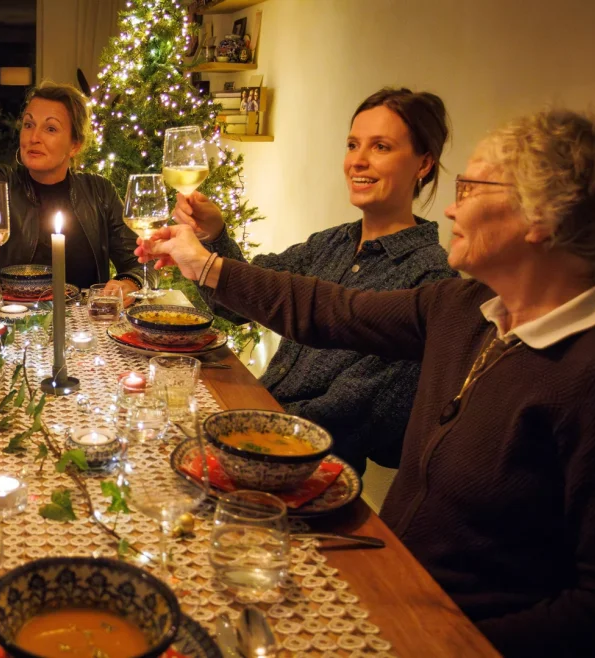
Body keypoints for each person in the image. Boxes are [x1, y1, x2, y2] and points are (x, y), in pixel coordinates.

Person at [139, 108, 595, 656]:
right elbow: (329, 309)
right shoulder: (467, 307)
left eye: (473, 187)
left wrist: (434, 645)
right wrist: (205, 265)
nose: (452, 205)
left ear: (543, 219)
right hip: (386, 581)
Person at [174, 88, 456, 474]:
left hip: (308, 469)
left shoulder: (431, 278)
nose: (357, 161)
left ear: (423, 164)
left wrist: (241, 420)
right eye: (353, 144)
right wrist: (215, 235)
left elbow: (355, 412)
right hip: (250, 428)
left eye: (381, 147)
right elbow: (237, 306)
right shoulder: (332, 242)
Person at [0, 81, 144, 299]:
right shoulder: (2, 182)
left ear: (75, 145)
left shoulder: (100, 191)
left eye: (50, 128)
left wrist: (130, 283)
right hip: (12, 320)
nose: (33, 137)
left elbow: (140, 262)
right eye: (28, 125)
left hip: (86, 326)